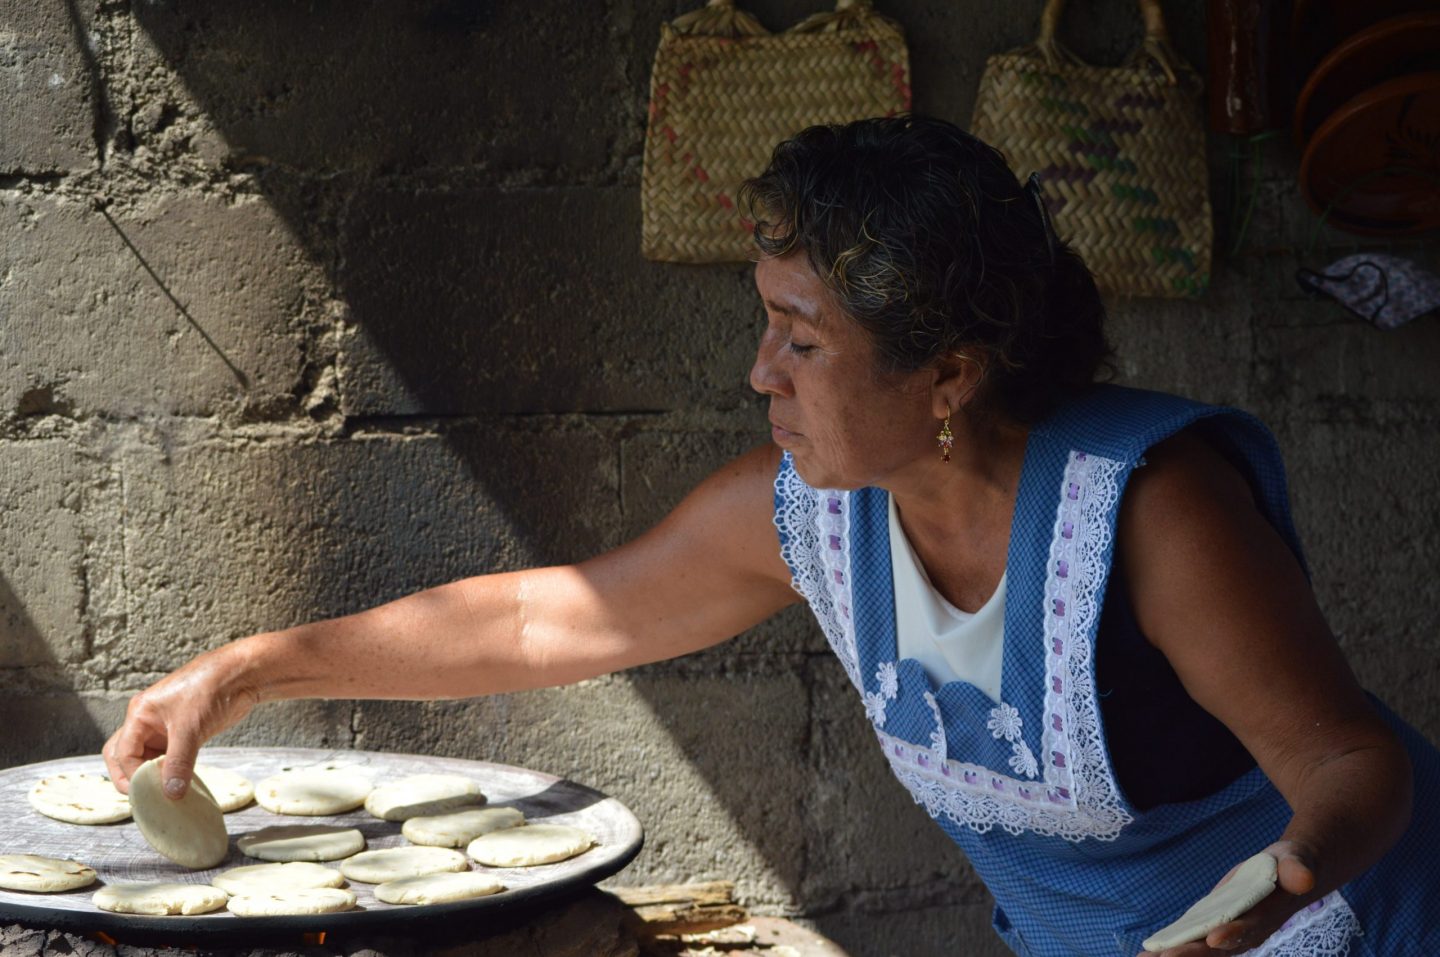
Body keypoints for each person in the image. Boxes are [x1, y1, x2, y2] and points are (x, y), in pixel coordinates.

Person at [103, 115, 1439, 956]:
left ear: (948, 374)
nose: (759, 372)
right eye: (767, 322)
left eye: (802, 340)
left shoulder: (1146, 509)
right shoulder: (810, 514)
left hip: (1338, 927)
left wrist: (1278, 886)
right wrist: (249, 670)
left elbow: (1349, 762)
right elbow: (543, 618)